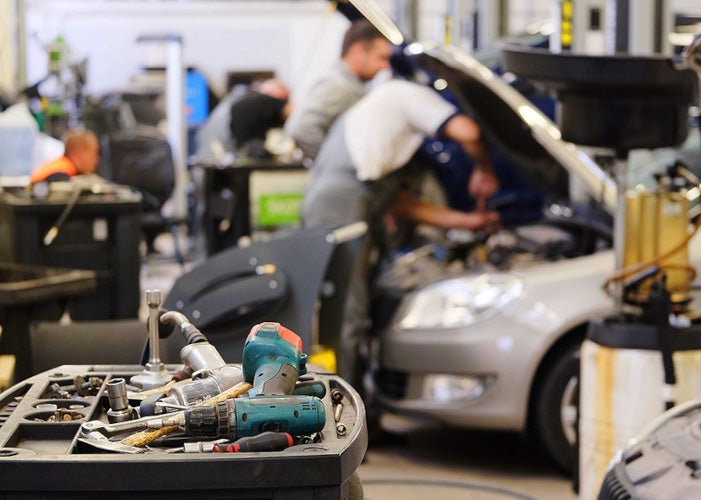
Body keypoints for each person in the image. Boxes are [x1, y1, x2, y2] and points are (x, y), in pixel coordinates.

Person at [302, 79, 500, 389]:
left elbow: (402, 204)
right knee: (348, 312)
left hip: (336, 201)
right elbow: (469, 132)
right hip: (341, 204)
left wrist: (467, 222)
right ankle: (343, 406)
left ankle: (355, 395)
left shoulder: (378, 118)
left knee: (353, 307)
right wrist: (484, 171)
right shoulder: (407, 95)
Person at [284, 19, 393, 161]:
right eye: (381, 58)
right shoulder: (338, 86)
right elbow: (301, 128)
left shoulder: (346, 83)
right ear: (358, 51)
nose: (385, 67)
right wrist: (335, 166)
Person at [194, 78, 293, 158]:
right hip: (213, 163)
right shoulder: (260, 100)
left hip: (205, 160)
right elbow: (292, 110)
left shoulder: (236, 100)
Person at [30, 129, 100, 184]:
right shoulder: (60, 175)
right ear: (78, 153)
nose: (97, 159)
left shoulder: (60, 165)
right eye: (93, 154)